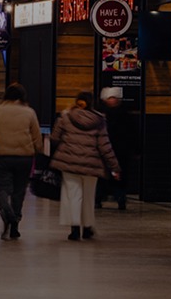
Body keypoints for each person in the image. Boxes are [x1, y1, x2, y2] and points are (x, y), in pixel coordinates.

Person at [50, 91, 121, 241]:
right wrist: (114, 167)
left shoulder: (65, 116)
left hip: (69, 163)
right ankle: (87, 228)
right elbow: (105, 146)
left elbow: (55, 138)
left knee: (73, 195)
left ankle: (74, 229)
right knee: (88, 196)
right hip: (91, 165)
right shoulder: (99, 120)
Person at [0, 83, 42, 241]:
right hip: (24, 157)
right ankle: (15, 225)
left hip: (1, 156)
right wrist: (38, 152)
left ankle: (8, 214)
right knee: (19, 191)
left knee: (1, 188)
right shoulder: (29, 112)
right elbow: (36, 137)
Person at [96, 87, 139, 211]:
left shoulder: (102, 115)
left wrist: (136, 148)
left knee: (117, 176)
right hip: (114, 150)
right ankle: (101, 198)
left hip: (119, 150)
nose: (113, 100)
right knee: (107, 176)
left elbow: (133, 133)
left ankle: (119, 199)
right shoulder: (120, 114)